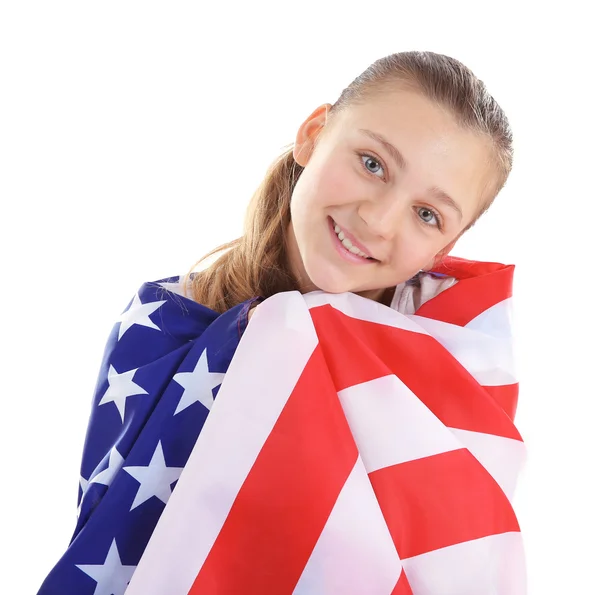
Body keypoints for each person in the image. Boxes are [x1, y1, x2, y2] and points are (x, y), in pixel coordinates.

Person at [37, 51, 525, 595]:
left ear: (446, 247)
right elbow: (109, 545)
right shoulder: (164, 327)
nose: (378, 220)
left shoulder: (449, 388)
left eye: (427, 214)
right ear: (313, 135)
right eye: (372, 163)